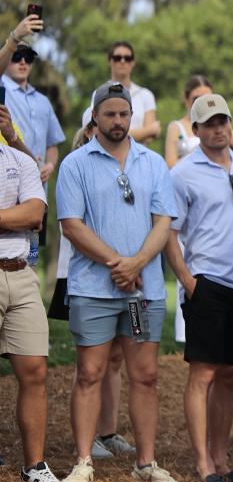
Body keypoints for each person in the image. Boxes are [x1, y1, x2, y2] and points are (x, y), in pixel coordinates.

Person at [57, 82, 181, 482]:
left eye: (123, 114)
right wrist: (117, 263)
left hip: (139, 296)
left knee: (145, 375)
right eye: (109, 114)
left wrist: (139, 264)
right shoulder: (76, 164)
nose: (117, 121)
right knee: (90, 373)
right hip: (94, 290)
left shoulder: (153, 163)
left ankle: (146, 463)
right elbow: (72, 225)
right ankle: (83, 462)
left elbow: (163, 220)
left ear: (131, 117)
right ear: (95, 117)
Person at [166, 93, 233, 482]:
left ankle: (222, 461)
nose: (218, 128)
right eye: (209, 123)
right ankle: (204, 464)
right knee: (202, 374)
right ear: (196, 130)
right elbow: (170, 234)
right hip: (207, 283)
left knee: (229, 376)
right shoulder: (183, 173)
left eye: (223, 121)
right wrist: (188, 281)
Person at [48, 109, 138, 461]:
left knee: (115, 358)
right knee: (90, 362)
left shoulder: (124, 169)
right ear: (89, 128)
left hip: (123, 279)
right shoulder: (76, 167)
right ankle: (86, 440)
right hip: (81, 277)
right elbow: (74, 226)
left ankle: (108, 431)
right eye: (99, 122)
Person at [0, 117, 70, 482]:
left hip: (21, 274)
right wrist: (13, 217)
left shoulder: (20, 160)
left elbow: (34, 215)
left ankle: (34, 468)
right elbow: (21, 214)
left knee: (35, 372)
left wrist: (15, 217)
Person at [1, 42, 63, 184]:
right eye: (16, 56)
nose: (23, 62)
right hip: (9, 178)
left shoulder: (43, 101)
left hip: (38, 182)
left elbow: (52, 144)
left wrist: (50, 165)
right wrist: (15, 37)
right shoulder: (2, 89)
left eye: (28, 57)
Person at [164, 75, 233, 169]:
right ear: (186, 99)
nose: (202, 102)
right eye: (196, 99)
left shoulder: (220, 128)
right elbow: (170, 165)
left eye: (207, 98)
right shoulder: (176, 127)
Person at [92, 41, 161, 144]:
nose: (123, 61)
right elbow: (96, 133)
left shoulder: (146, 95)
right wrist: (148, 130)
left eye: (127, 58)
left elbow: (149, 139)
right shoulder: (99, 94)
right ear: (110, 61)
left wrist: (114, 134)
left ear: (133, 62)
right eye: (117, 58)